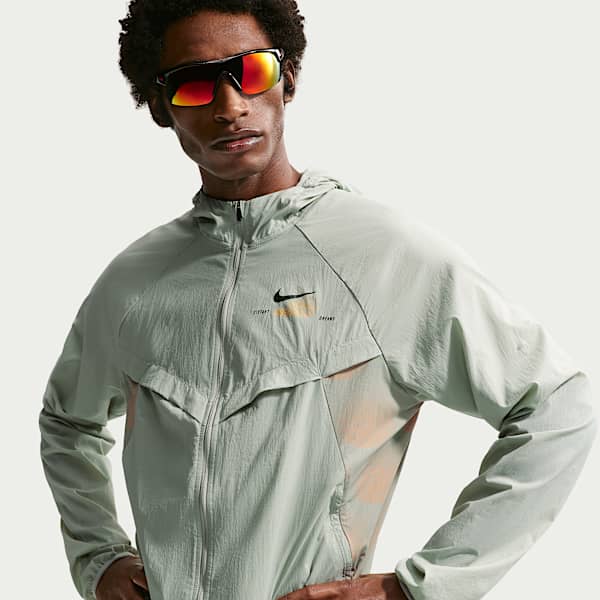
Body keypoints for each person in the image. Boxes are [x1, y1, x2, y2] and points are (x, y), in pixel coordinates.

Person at [38, 1, 598, 600]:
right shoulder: (135, 280)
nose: (230, 107)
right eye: (194, 84)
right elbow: (67, 422)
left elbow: (557, 403)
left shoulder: (382, 255)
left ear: (288, 78)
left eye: (251, 71)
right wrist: (99, 557)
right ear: (159, 106)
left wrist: (422, 587)